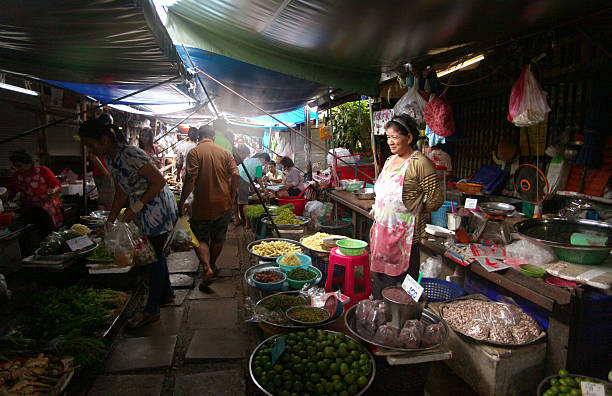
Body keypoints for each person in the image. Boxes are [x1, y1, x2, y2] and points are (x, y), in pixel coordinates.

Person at [79, 119, 178, 328]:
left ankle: (151, 309)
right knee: (155, 255)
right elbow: (121, 191)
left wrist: (136, 207)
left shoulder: (130, 154)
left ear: (104, 139)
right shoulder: (111, 159)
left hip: (157, 208)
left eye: (90, 144)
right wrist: (110, 220)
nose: (89, 150)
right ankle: (167, 294)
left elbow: (159, 181)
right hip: (142, 209)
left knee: (153, 259)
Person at [370, 114, 444, 299]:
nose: (390, 142)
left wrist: (416, 210)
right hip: (382, 234)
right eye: (388, 137)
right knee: (380, 285)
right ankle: (378, 317)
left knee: (401, 292)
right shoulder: (389, 161)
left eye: (395, 137)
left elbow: (436, 198)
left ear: (409, 138)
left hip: (406, 239)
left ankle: (401, 322)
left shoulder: (420, 163)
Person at [178, 125, 240, 291]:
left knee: (200, 238)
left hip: (201, 205)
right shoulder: (225, 152)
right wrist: (232, 195)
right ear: (213, 137)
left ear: (199, 137)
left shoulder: (195, 153)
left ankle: (207, 267)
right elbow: (236, 175)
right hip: (223, 203)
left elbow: (190, 179)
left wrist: (182, 201)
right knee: (218, 237)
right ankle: (213, 263)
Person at [8, 150, 62, 238]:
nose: (17, 168)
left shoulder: (42, 171)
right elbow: (12, 192)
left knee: (49, 234)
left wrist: (53, 191)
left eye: (19, 166)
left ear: (29, 164)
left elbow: (56, 185)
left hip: (46, 208)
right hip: (28, 209)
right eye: (15, 166)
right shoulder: (16, 176)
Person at [91, 113, 116, 209]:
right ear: (108, 123)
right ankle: (106, 221)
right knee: (107, 202)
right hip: (103, 173)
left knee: (106, 200)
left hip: (105, 173)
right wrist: (105, 172)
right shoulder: (99, 136)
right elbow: (93, 156)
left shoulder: (102, 136)